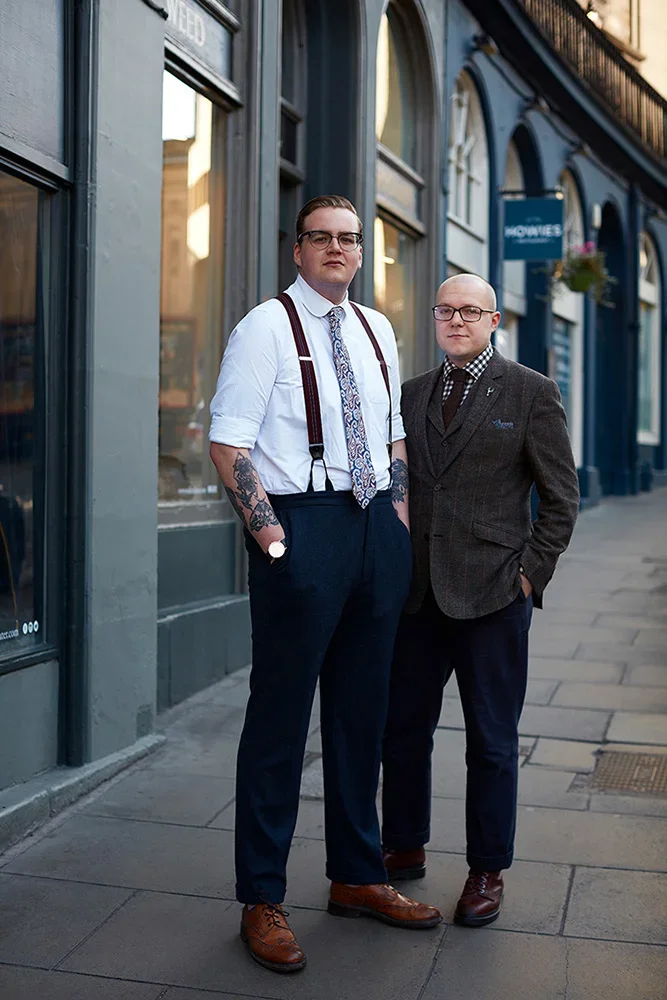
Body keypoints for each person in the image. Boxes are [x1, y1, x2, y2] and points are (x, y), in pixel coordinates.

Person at [209, 195, 442, 974]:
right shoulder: (263, 327)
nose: (338, 249)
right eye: (323, 238)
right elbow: (228, 443)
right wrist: (274, 539)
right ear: (298, 249)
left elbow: (391, 432)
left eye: (350, 239)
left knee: (360, 716)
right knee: (278, 721)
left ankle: (356, 874)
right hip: (302, 527)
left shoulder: (376, 328)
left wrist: (398, 521)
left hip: (375, 525)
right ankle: (261, 898)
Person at [381, 273, 579, 928]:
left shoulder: (530, 392)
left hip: (494, 595)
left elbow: (559, 497)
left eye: (470, 311)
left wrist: (528, 575)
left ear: (494, 320)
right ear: (433, 319)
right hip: (417, 596)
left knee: (490, 742)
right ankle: (402, 843)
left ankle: (486, 868)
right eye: (445, 310)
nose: (456, 320)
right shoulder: (409, 395)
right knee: (402, 731)